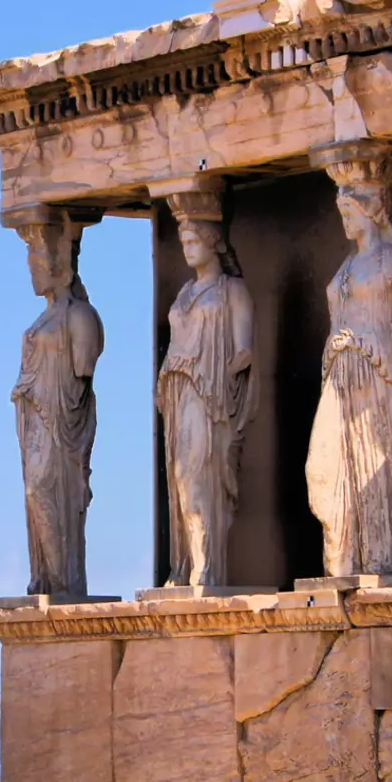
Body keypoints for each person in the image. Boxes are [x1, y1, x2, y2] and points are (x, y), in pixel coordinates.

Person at [306, 177, 392, 578]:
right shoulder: (346, 266)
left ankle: (380, 560)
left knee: (378, 466)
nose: (344, 222)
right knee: (321, 470)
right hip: (339, 370)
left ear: (369, 212)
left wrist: (383, 356)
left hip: (376, 372)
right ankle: (341, 560)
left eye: (349, 213)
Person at [159, 216, 255, 586]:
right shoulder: (184, 293)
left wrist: (221, 375)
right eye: (183, 241)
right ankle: (189, 564)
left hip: (210, 393)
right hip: (179, 392)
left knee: (197, 475)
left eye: (194, 240)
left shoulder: (232, 291)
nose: (187, 247)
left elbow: (244, 349)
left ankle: (207, 566)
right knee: (181, 476)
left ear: (214, 241)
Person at [12, 217, 104, 597]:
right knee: (33, 493)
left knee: (43, 491)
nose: (32, 272)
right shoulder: (44, 318)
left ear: (57, 265)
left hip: (60, 425)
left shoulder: (80, 317)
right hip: (35, 423)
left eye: (37, 264)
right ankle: (47, 579)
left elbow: (83, 371)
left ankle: (66, 581)